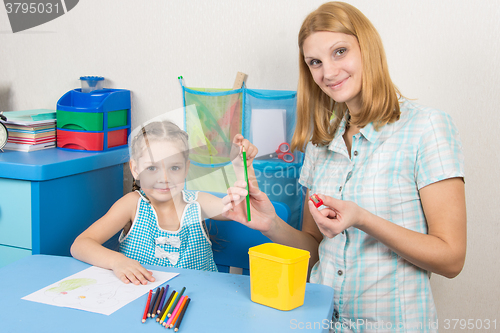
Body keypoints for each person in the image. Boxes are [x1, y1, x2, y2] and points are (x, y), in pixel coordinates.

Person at [222, 2, 466, 332]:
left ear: (368, 47)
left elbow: (451, 259)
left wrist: (362, 218)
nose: (328, 72)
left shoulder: (427, 128)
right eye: (315, 62)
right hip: (321, 323)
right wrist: (270, 224)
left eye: (340, 51)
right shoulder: (320, 145)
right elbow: (315, 248)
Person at [71, 120, 257, 285]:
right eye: (152, 168)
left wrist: (243, 168)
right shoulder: (131, 205)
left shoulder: (199, 202)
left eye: (174, 167)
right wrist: (116, 261)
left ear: (186, 168)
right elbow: (80, 245)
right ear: (135, 169)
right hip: (142, 302)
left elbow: (244, 208)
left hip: (201, 302)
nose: (164, 178)